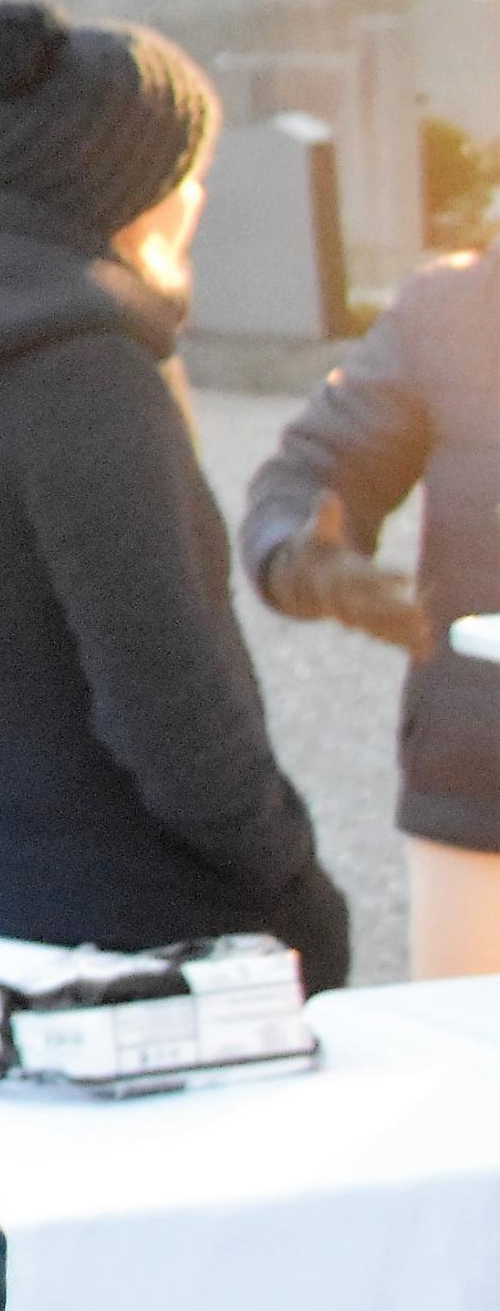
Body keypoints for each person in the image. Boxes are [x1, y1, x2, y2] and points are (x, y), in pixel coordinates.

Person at [0, 0, 351, 986]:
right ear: (135, 190)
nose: (198, 201)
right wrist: (293, 881)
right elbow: (168, 702)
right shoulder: (88, 376)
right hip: (127, 916)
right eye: (189, 177)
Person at [244, 247, 500, 978]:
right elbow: (313, 470)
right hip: (480, 782)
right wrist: (301, 558)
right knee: (465, 1043)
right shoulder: (452, 310)